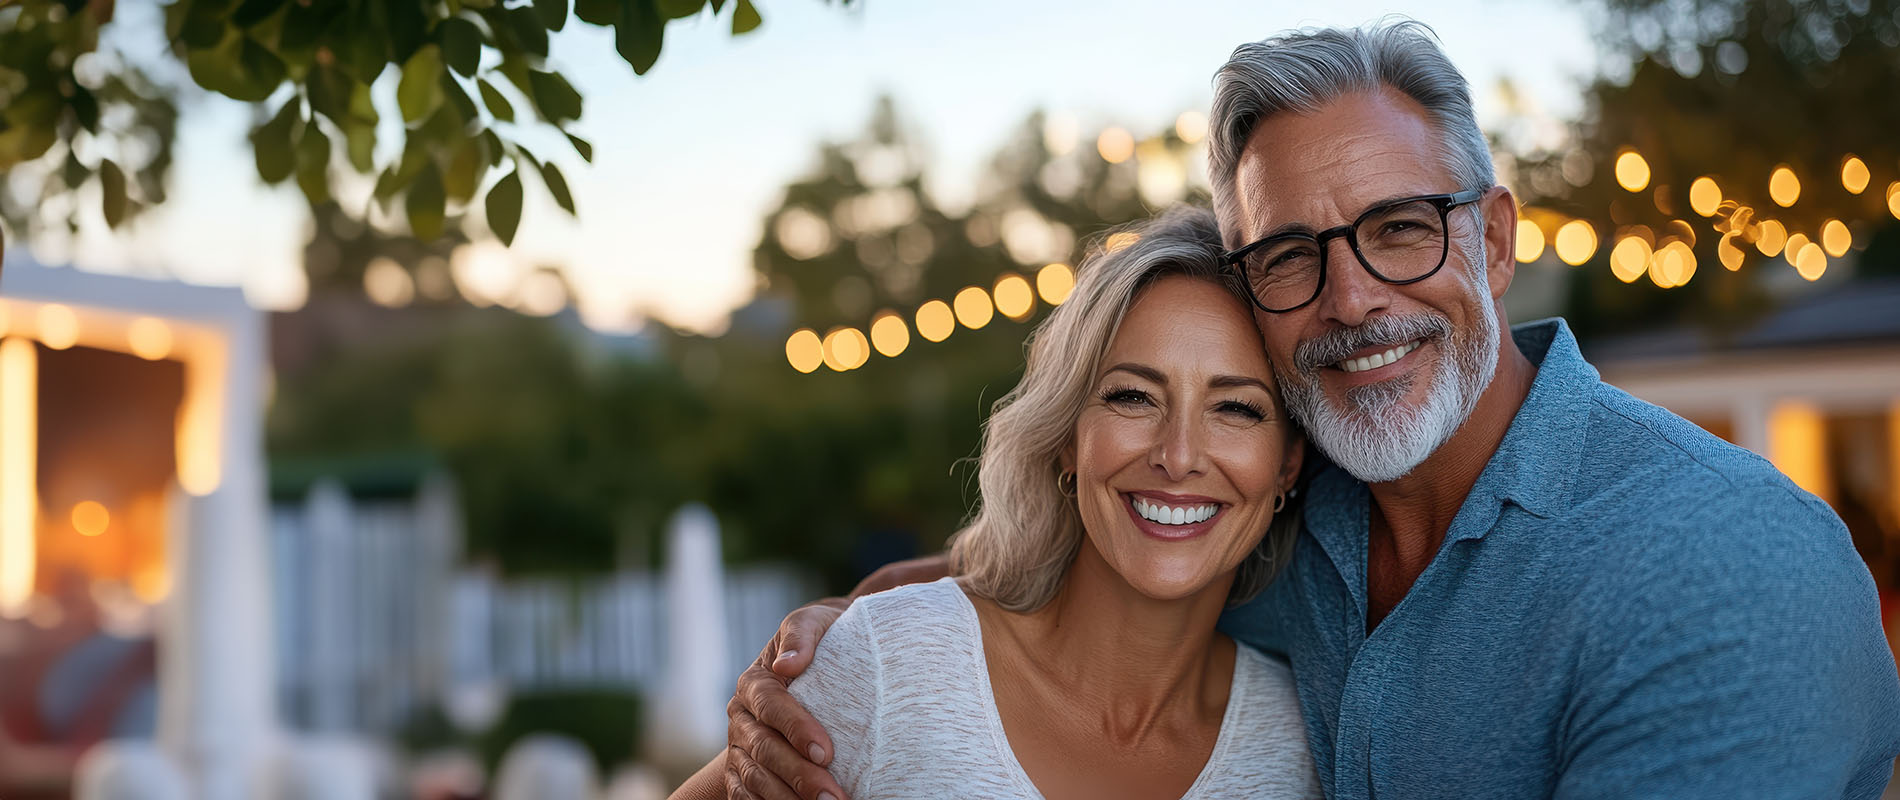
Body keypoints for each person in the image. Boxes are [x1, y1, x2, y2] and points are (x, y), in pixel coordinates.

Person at [720, 20, 1900, 800]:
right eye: (1288, 254)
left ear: (1491, 240)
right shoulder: (1289, 518)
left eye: (1398, 227)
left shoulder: (1723, 569)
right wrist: (842, 636)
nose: (1351, 299)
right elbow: (1082, 559)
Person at [672, 207, 1322, 800]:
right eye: (1133, 396)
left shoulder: (1305, 743)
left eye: (1235, 407)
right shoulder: (887, 664)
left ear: (1288, 463)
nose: (1178, 456)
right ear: (1069, 437)